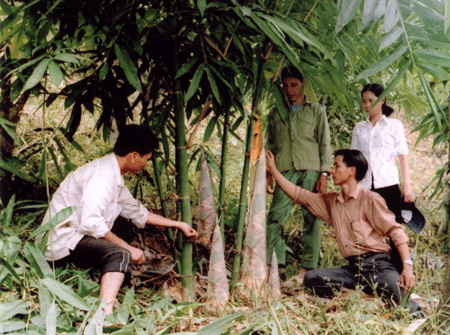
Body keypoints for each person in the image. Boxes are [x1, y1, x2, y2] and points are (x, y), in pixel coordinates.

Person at [35, 125, 198, 314]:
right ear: (134, 156)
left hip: (77, 231)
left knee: (125, 227)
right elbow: (91, 223)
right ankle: (105, 313)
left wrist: (178, 224)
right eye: (147, 159)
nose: (146, 164)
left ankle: (111, 270)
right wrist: (128, 249)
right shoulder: (102, 177)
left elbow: (137, 211)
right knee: (121, 254)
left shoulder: (111, 172)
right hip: (61, 243)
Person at [266, 148, 421, 314]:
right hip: (353, 271)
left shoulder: (370, 199)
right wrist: (273, 170)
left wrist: (407, 265)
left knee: (401, 299)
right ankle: (362, 295)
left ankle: (414, 314)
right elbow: (299, 194)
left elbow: (395, 230)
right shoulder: (332, 202)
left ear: (351, 171)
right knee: (311, 279)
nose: (331, 171)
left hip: (378, 266)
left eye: (336, 166)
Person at [266, 65, 332, 280]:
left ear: (303, 85)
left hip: (311, 169)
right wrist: (269, 173)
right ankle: (277, 265)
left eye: (294, 85)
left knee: (313, 217)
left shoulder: (316, 111)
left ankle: (308, 268)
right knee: (275, 217)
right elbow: (271, 145)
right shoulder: (276, 113)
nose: (289, 90)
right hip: (284, 170)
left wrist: (324, 174)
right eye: (285, 86)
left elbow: (324, 143)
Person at [351, 83, 414, 273]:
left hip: (388, 184)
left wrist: (407, 186)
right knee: (364, 229)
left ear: (382, 100)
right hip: (364, 186)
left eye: (371, 100)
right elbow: (354, 158)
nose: (367, 105)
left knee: (394, 228)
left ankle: (399, 271)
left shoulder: (393, 125)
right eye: (364, 101)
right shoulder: (359, 128)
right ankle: (367, 270)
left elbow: (402, 155)